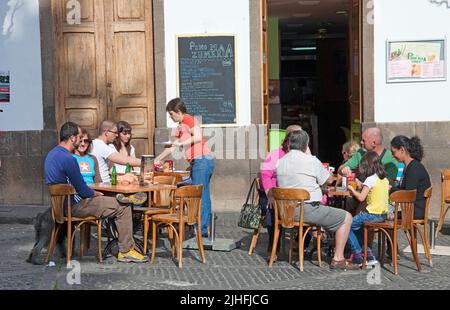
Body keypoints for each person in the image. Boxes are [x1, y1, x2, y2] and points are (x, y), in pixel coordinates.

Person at [44, 121, 148, 263]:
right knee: (123, 205)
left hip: (59, 207)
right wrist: (97, 194)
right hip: (74, 206)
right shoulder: (69, 159)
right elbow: (83, 190)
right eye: (80, 137)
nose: (81, 141)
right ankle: (126, 250)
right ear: (73, 138)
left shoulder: (51, 154)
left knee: (119, 201)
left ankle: (123, 244)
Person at [276, 130, 359, 270]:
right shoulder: (310, 160)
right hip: (306, 209)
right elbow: (329, 179)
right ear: (306, 145)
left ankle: (326, 243)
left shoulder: (281, 161)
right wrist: (309, 155)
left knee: (330, 213)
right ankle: (338, 258)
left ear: (289, 144)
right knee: (346, 217)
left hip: (286, 211)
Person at [154, 98, 215, 237]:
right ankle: (200, 226)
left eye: (171, 114)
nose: (170, 117)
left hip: (202, 160)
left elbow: (198, 137)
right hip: (198, 162)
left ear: (178, 112)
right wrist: (158, 159)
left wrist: (181, 144)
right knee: (199, 194)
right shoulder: (181, 126)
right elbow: (173, 145)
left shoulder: (188, 119)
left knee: (200, 195)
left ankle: (201, 230)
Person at [260, 124, 303, 253]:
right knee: (272, 209)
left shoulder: (303, 154)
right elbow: (265, 175)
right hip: (275, 195)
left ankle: (301, 243)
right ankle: (274, 245)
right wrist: (270, 195)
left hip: (297, 196)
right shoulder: (275, 154)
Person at [347, 151, 389, 266]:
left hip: (371, 214)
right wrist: (361, 185)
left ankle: (357, 254)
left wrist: (352, 190)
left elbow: (361, 198)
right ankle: (369, 254)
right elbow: (373, 190)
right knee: (359, 228)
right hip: (382, 215)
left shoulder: (370, 179)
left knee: (346, 225)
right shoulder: (384, 179)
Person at [390, 135, 431, 219]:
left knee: (382, 214)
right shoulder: (409, 166)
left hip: (414, 211)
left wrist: (391, 189)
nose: (392, 156)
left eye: (393, 152)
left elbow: (408, 194)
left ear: (402, 150)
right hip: (411, 208)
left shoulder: (414, 168)